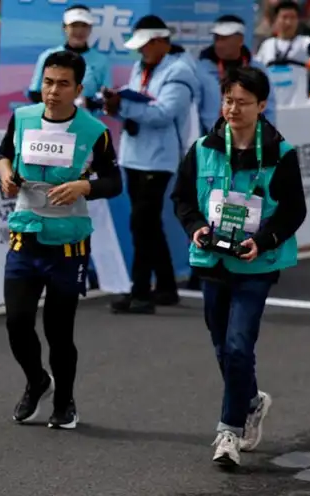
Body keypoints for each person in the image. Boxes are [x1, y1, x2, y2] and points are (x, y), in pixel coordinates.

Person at [170, 66, 306, 468]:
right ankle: (250, 400)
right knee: (222, 345)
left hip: (256, 262)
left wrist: (262, 240)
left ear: (262, 106)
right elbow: (182, 198)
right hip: (213, 260)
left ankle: (227, 432)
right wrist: (195, 228)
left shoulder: (281, 154)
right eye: (228, 100)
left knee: (238, 345)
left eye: (243, 103)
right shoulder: (203, 148)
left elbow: (294, 211)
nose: (233, 109)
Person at [0, 50, 122, 429]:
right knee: (17, 323)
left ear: (79, 89)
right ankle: (37, 381)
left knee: (58, 330)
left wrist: (84, 185)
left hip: (68, 245)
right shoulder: (22, 118)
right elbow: (3, 155)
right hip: (25, 236)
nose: (53, 92)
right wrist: (5, 174)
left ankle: (65, 400)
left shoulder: (93, 131)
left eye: (63, 84)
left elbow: (113, 182)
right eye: (48, 82)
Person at [103, 15, 197, 314]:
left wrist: (124, 106)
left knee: (142, 223)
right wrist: (112, 105)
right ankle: (166, 286)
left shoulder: (180, 71)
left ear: (159, 42)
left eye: (144, 45)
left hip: (159, 157)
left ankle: (140, 292)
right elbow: (137, 109)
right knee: (147, 223)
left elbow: (164, 113)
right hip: (133, 155)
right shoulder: (140, 66)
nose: (140, 51)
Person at [197, 15, 276, 134]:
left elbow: (268, 108)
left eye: (224, 39)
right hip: (212, 142)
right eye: (216, 38)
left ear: (240, 40)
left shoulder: (257, 69)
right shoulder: (201, 70)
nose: (219, 44)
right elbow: (195, 113)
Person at [28, 4, 110, 111]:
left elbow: (106, 97)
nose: (79, 31)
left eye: (84, 25)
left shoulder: (101, 60)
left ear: (90, 28)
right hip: (51, 121)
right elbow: (34, 93)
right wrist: (63, 102)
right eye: (74, 25)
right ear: (64, 27)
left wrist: (86, 102)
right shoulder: (48, 56)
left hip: (86, 122)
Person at [255, 0, 310, 107]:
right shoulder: (267, 45)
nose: (288, 22)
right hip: (271, 107)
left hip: (298, 107)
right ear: (276, 19)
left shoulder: (304, 42)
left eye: (293, 18)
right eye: (284, 17)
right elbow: (257, 73)